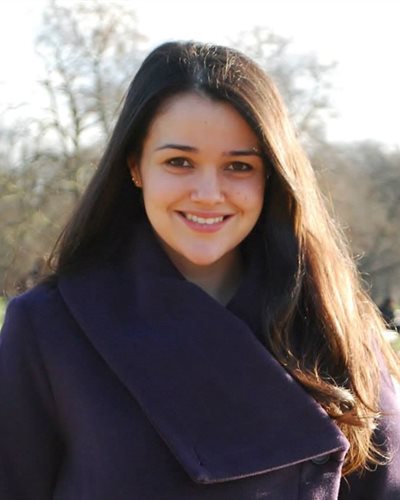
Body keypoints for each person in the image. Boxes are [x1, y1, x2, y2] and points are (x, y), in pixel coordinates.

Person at [0, 41, 399, 500]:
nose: (209, 193)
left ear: (270, 176)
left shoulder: (333, 319)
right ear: (135, 166)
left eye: (239, 166)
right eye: (179, 162)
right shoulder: (50, 327)